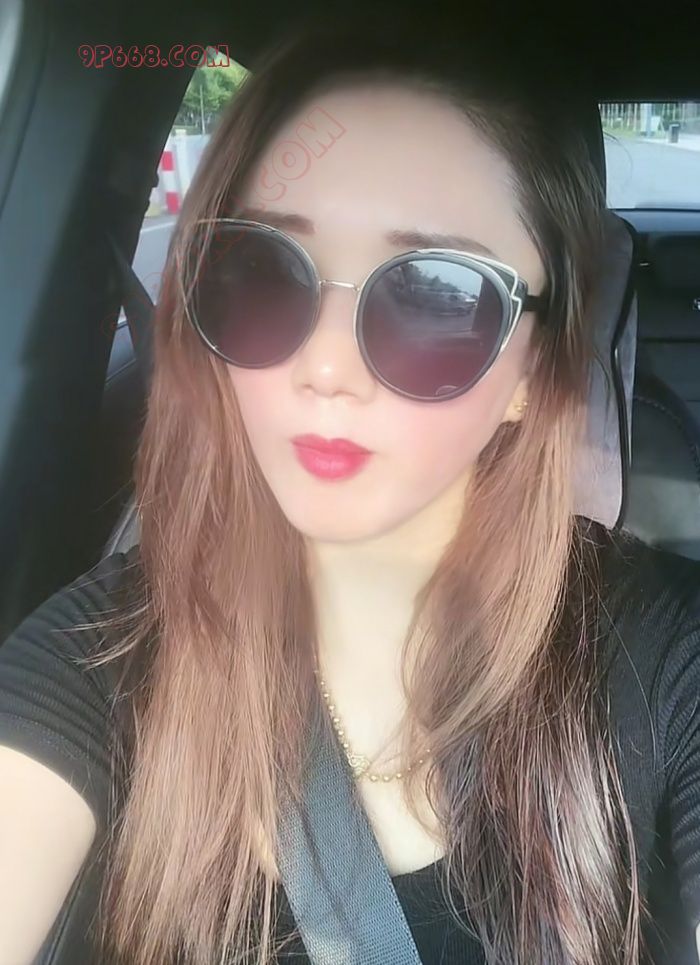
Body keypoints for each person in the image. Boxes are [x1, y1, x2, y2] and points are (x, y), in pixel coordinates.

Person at [1, 11, 700, 965]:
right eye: (263, 274)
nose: (325, 368)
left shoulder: (666, 657)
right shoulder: (100, 658)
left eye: (436, 297)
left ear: (534, 375)